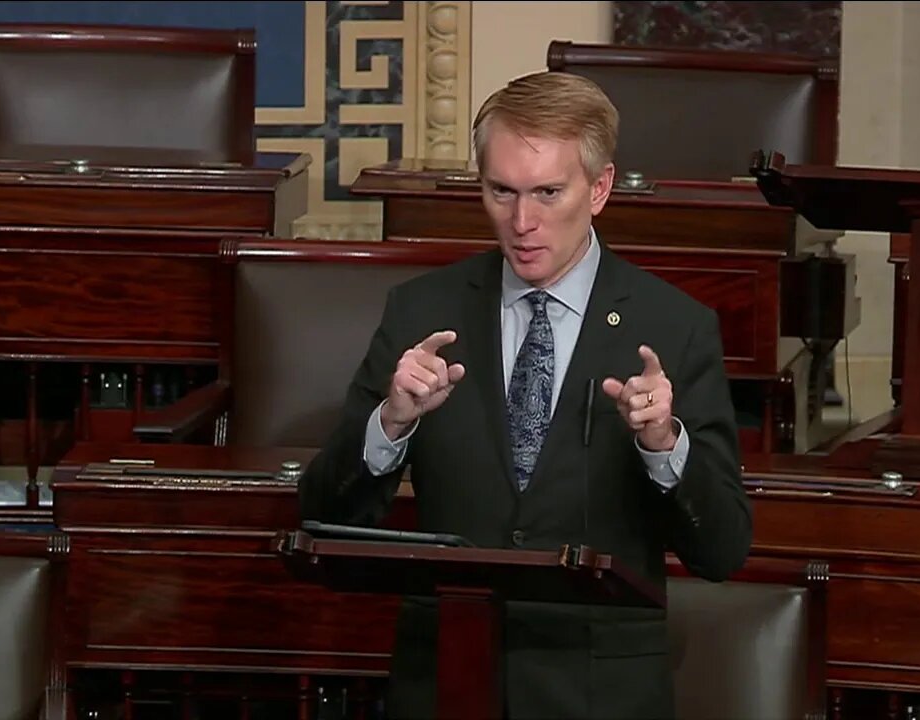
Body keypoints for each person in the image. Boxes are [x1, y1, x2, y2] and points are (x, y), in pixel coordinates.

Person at [299, 70, 752, 720]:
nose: (521, 221)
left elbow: (724, 551)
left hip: (599, 691)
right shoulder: (422, 312)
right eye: (501, 191)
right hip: (447, 681)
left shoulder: (673, 328)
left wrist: (664, 446)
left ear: (599, 189)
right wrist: (389, 425)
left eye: (547, 192)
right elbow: (323, 517)